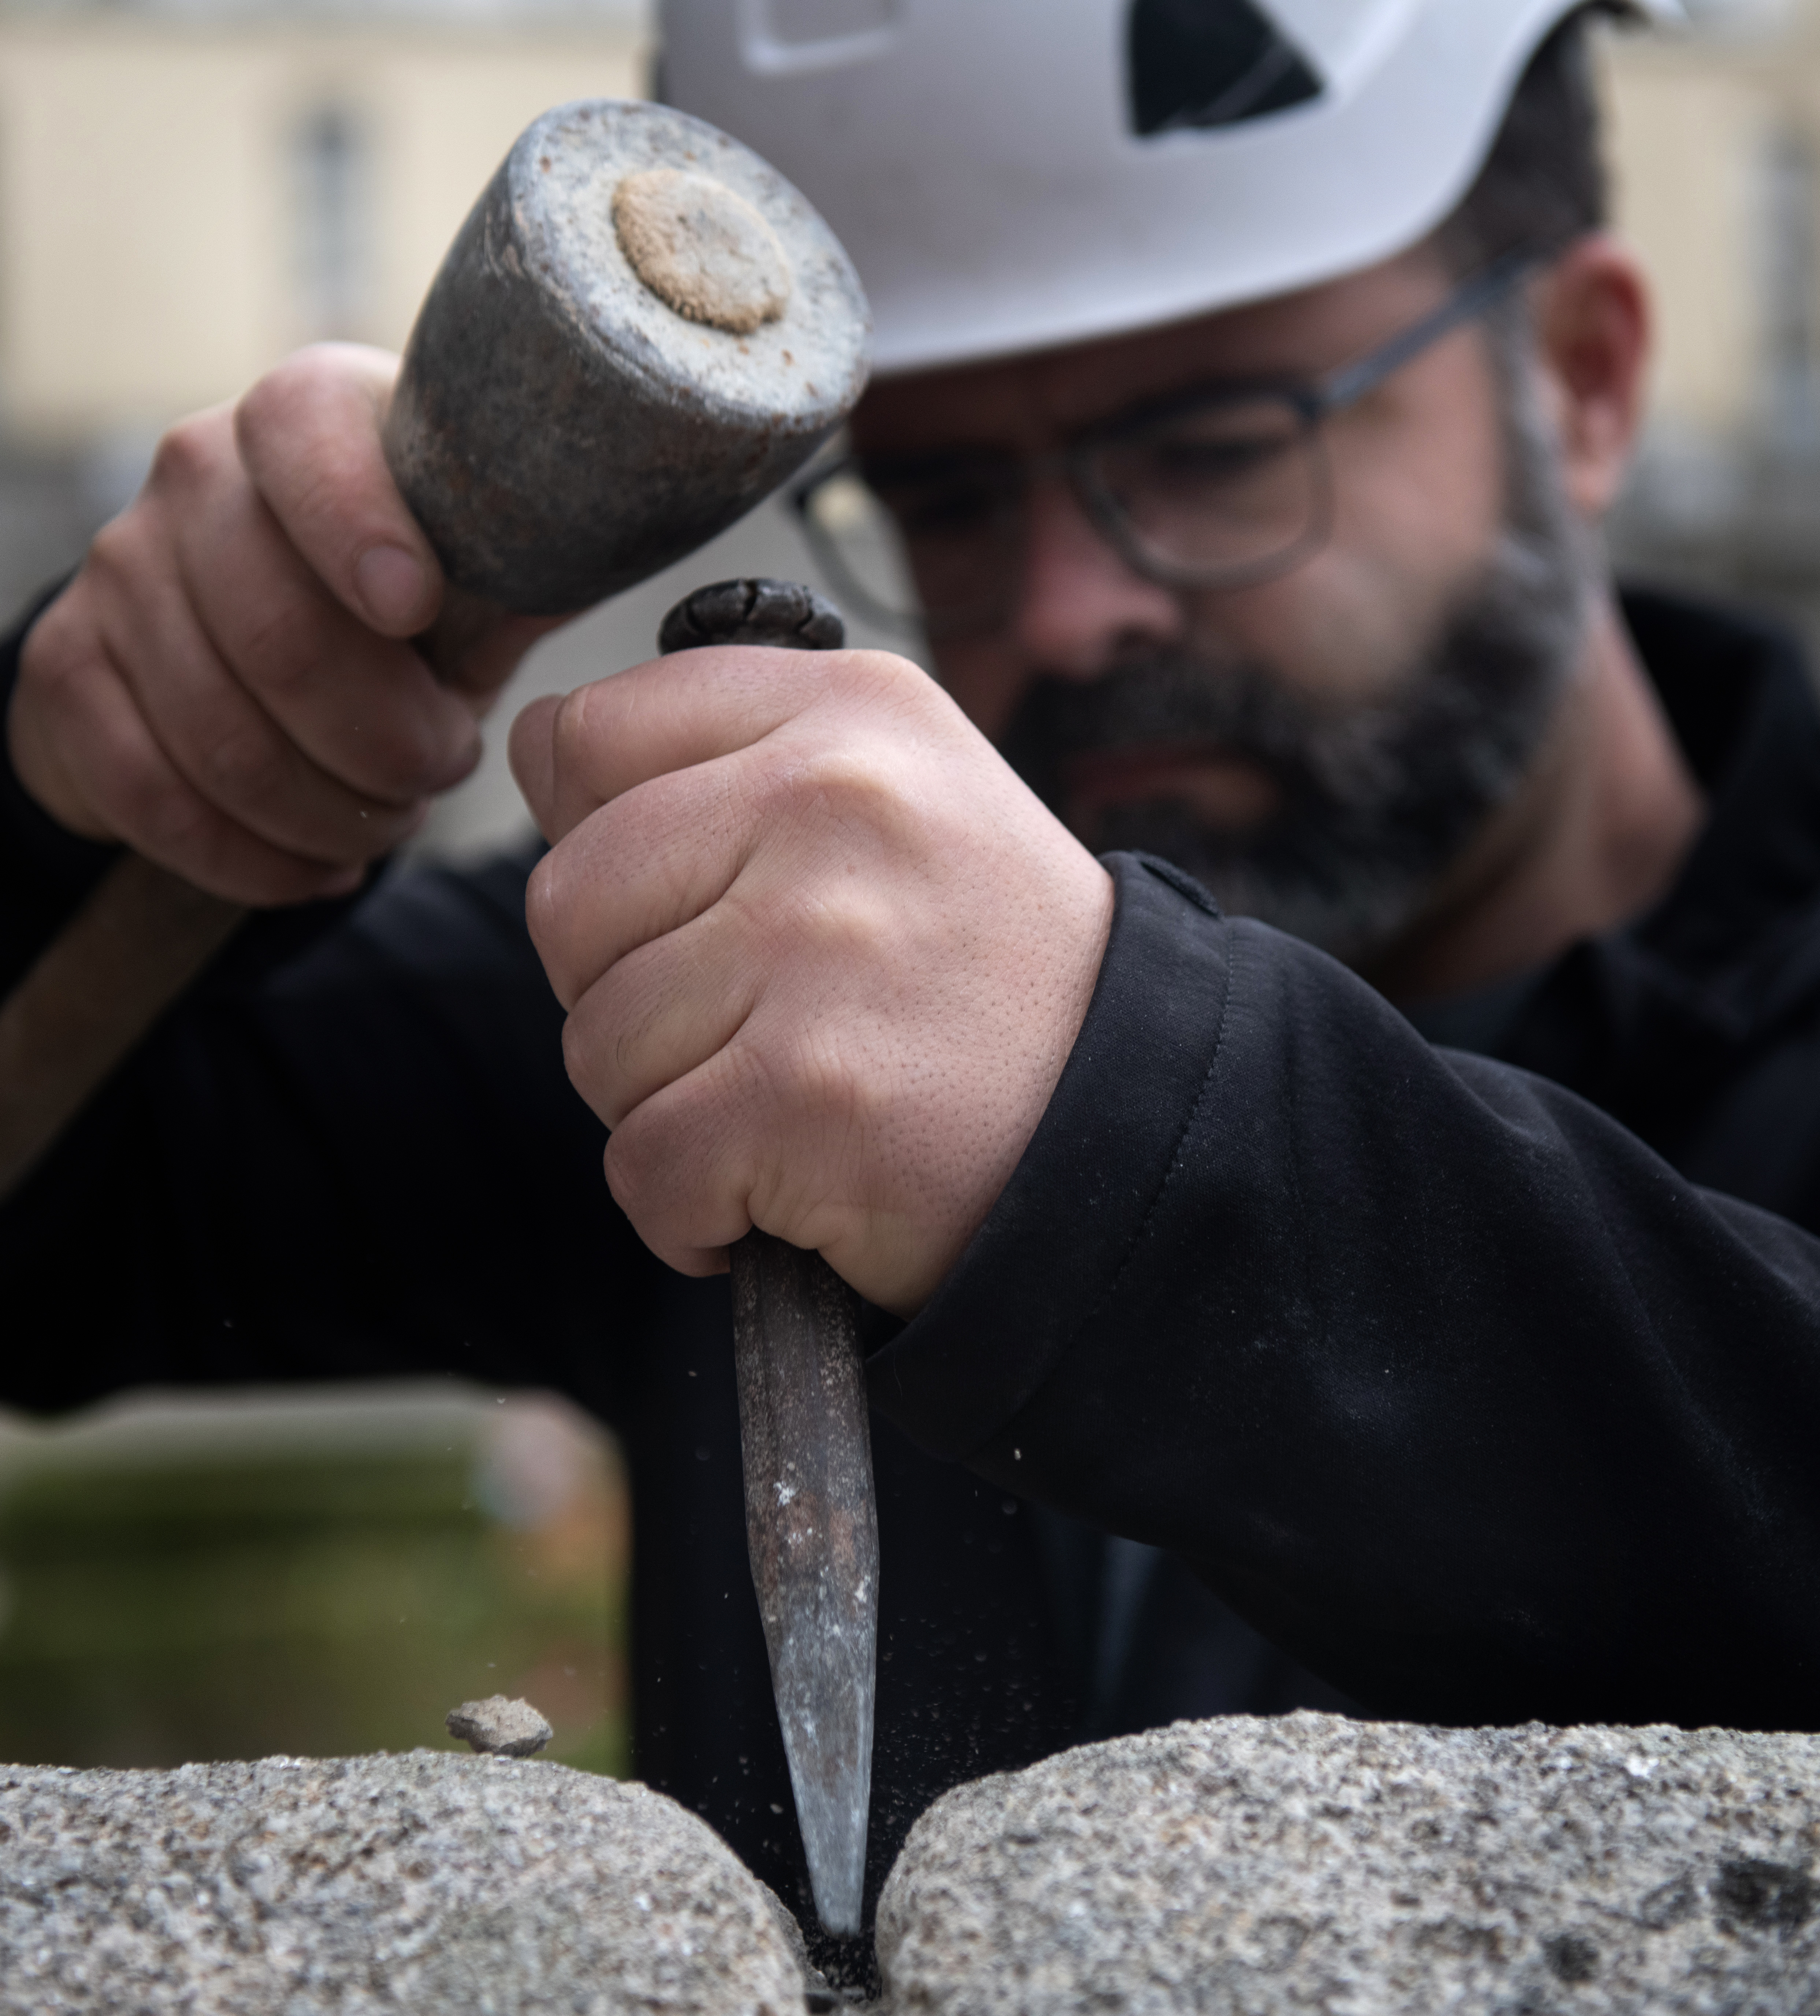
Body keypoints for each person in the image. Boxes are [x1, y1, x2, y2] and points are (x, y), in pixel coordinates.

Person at [5, 0, 1820, 1929]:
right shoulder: (716, 1006)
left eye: (1214, 447)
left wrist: (1141, 1132)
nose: (1066, 606)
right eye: (950, 495)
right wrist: (94, 796)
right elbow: (68, 1203)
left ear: (1587, 376)